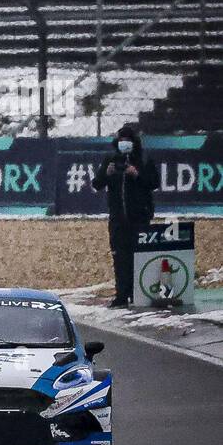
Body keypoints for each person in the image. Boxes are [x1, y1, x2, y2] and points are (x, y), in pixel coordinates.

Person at [92, 122, 160, 308]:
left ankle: (138, 292)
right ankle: (121, 293)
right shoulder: (111, 160)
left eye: (128, 140)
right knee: (120, 255)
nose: (124, 144)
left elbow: (154, 182)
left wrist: (136, 174)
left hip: (139, 216)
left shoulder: (144, 160)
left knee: (138, 254)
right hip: (117, 217)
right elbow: (97, 184)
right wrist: (107, 174)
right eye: (121, 140)